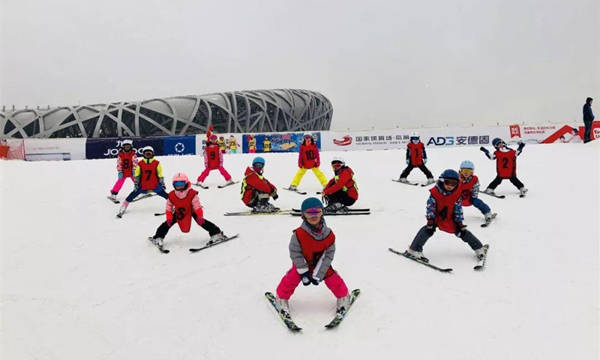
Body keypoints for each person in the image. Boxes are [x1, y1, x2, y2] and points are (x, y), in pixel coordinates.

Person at [273, 197, 353, 319]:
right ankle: (281, 298)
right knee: (292, 277)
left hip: (321, 263)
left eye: (317, 212)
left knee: (333, 278)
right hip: (302, 263)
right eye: (309, 213)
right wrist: (303, 270)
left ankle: (343, 297)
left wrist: (320, 272)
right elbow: (295, 252)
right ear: (303, 216)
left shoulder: (329, 235)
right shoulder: (298, 234)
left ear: (322, 212)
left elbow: (329, 254)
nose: (314, 216)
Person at [405, 170, 487, 262]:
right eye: (448, 182)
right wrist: (430, 220)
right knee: (427, 230)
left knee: (463, 232)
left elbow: (458, 209)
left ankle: (479, 249)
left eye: (454, 183)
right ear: (442, 181)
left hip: (450, 219)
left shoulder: (456, 195)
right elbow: (430, 207)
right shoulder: (435, 193)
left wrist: (459, 223)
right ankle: (414, 250)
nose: (450, 186)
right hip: (437, 218)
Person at [149, 173, 227, 247]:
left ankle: (216, 233)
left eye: (181, 184)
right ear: (173, 185)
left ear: (186, 183)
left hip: (191, 210)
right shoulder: (172, 195)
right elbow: (168, 207)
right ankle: (158, 237)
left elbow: (197, 206)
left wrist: (200, 216)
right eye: (177, 184)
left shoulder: (191, 194)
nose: (179, 186)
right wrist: (169, 218)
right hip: (179, 212)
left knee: (202, 222)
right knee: (167, 224)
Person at [117, 146, 169, 217]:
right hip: (143, 186)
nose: (148, 155)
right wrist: (136, 184)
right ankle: (124, 206)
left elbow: (160, 175)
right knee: (131, 195)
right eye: (146, 153)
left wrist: (162, 184)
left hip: (155, 186)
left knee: (167, 196)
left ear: (152, 154)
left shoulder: (157, 163)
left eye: (149, 153)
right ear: (143, 154)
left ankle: (175, 204)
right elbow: (137, 176)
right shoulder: (140, 164)